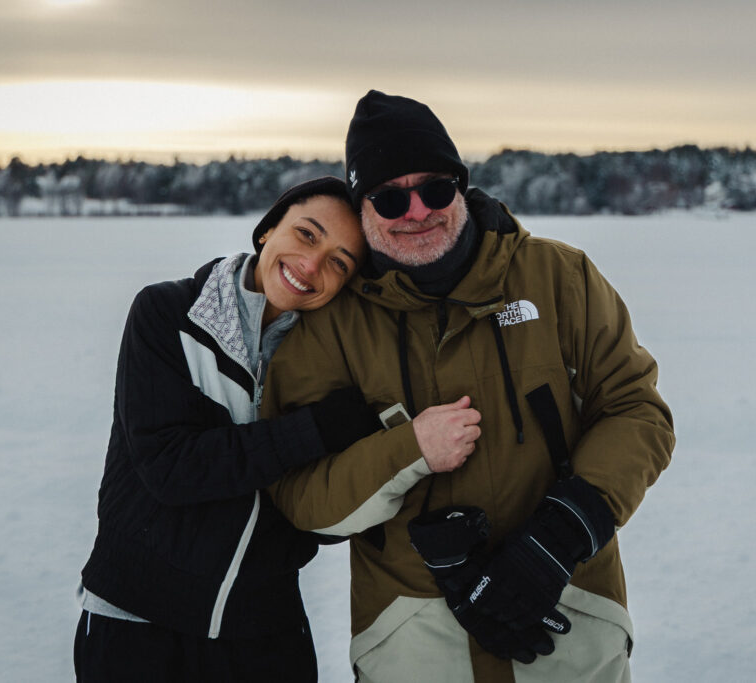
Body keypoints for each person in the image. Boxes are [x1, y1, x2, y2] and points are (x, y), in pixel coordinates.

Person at [261, 91, 676, 682]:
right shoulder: (331, 326)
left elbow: (637, 411)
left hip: (571, 614)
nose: (417, 212)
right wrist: (409, 450)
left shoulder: (560, 278)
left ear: (460, 187)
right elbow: (303, 498)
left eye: (435, 189)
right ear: (362, 209)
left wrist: (560, 535)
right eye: (389, 198)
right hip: (409, 637)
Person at [73, 177, 385, 682]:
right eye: (306, 234)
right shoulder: (167, 314)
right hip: (137, 625)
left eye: (339, 262)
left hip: (263, 632)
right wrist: (312, 432)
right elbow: (170, 467)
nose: (311, 265)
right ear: (267, 230)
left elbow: (320, 507)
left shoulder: (333, 364)